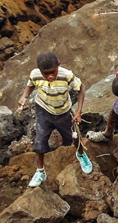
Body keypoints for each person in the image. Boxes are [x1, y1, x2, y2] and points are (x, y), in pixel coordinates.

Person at [17, 51, 92, 187]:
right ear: (40, 71)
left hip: (63, 111)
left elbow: (81, 88)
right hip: (44, 109)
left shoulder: (66, 75)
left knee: (74, 137)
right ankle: (40, 171)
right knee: (40, 140)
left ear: (58, 65)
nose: (50, 76)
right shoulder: (35, 74)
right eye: (46, 74)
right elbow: (31, 84)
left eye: (53, 72)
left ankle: (81, 155)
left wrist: (79, 111)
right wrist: (24, 97)